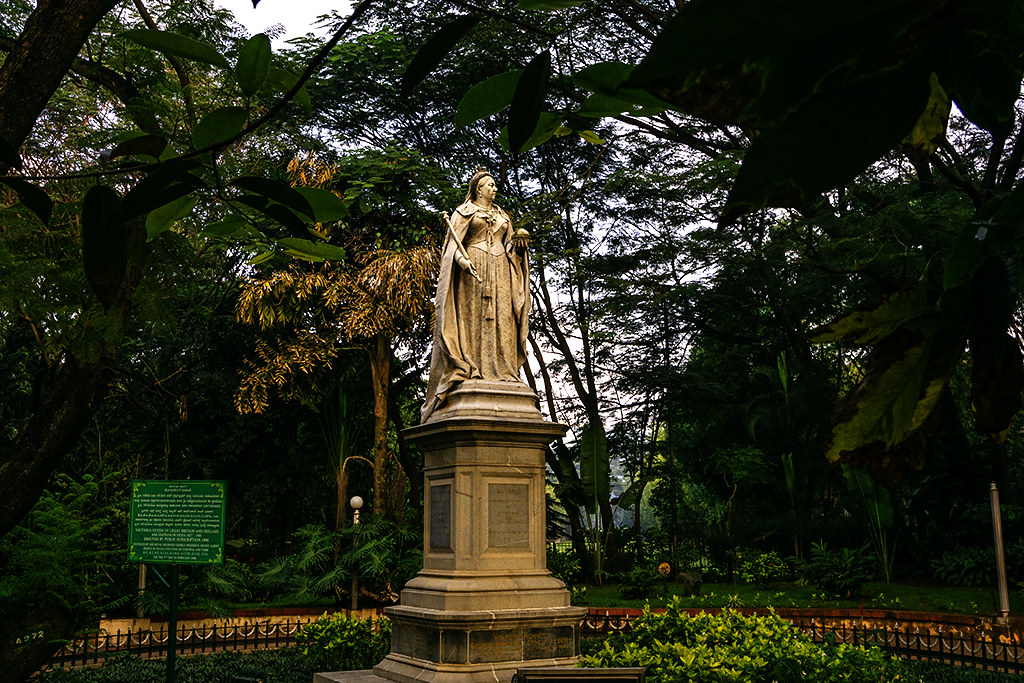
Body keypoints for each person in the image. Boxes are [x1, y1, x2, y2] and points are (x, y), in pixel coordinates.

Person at [421, 170, 530, 421]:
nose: (494, 189)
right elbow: (451, 249)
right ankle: (473, 369)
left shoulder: (503, 216)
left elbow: (511, 246)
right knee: (474, 319)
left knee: (503, 319)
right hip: (473, 270)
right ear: (478, 188)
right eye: (489, 185)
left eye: (494, 185)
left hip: (502, 270)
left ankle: (503, 370)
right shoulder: (463, 212)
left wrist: (520, 246)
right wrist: (462, 261)